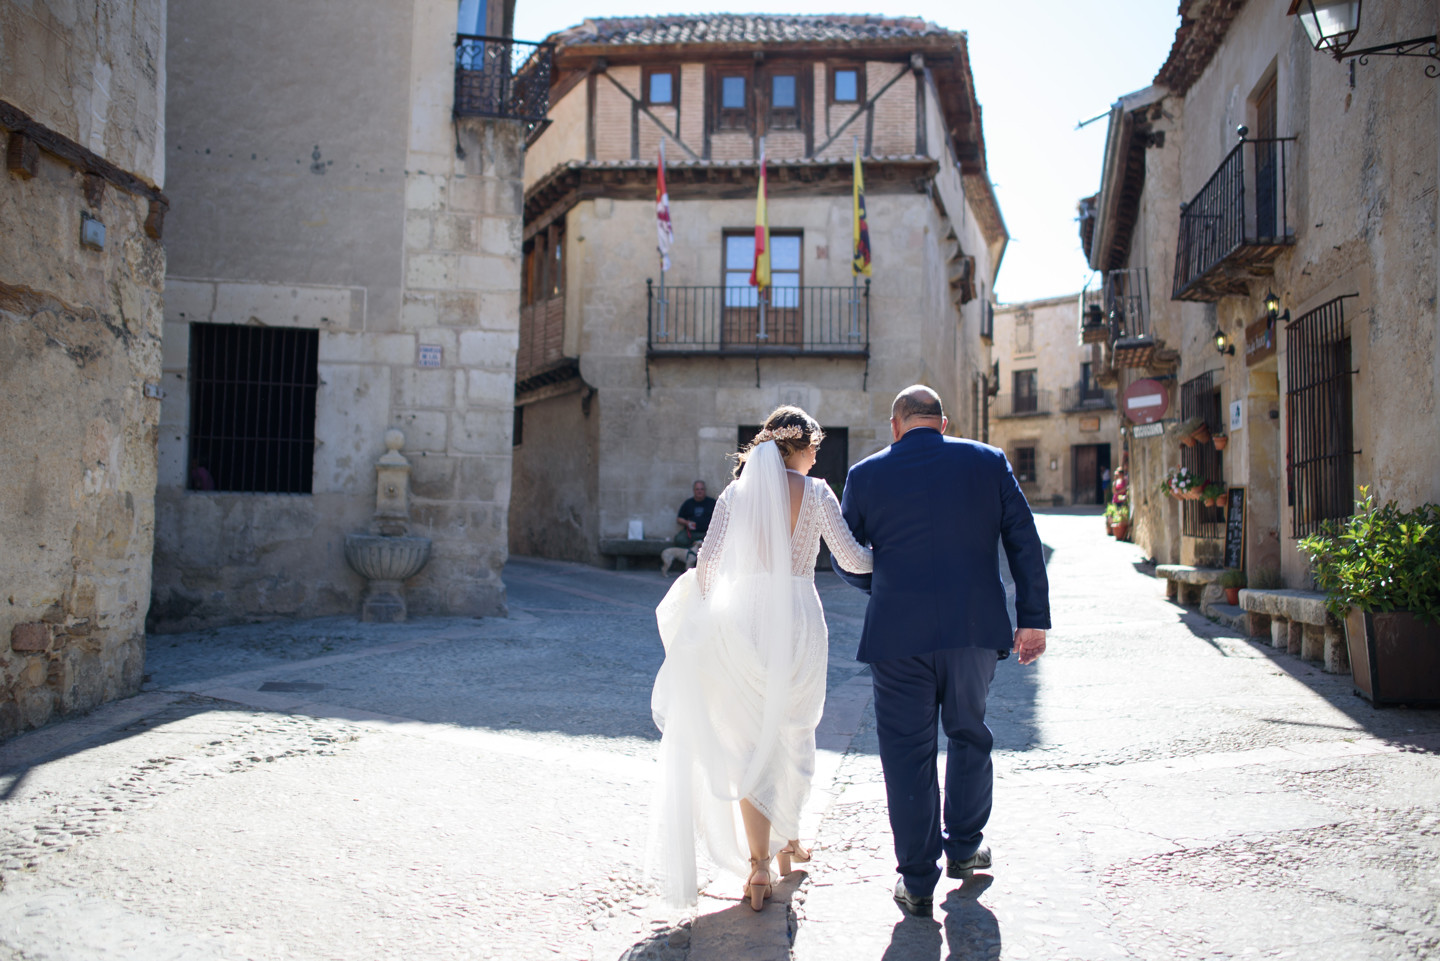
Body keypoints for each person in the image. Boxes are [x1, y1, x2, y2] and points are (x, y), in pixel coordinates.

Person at [830, 385, 1050, 918]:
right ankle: (966, 849)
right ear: (944, 423)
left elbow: (845, 555)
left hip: (896, 636)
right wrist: (1033, 621)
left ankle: (918, 880)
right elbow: (1023, 538)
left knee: (906, 753)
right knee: (970, 733)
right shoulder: (989, 462)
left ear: (895, 424)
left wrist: (881, 588)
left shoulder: (864, 474)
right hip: (974, 630)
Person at [650, 407, 873, 912]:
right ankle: (791, 841)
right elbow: (854, 559)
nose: (818, 456)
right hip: (796, 616)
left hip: (743, 618)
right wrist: (890, 554)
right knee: (795, 730)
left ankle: (757, 867)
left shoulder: (734, 494)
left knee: (751, 740)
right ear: (801, 447)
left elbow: (707, 561)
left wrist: (712, 610)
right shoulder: (816, 494)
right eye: (816, 446)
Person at [674, 480, 716, 547]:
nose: (699, 491)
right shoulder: (688, 503)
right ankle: (690, 553)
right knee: (679, 539)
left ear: (705, 490)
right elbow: (679, 519)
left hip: (707, 533)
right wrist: (687, 523)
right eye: (697, 489)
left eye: (702, 489)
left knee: (716, 541)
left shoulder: (712, 503)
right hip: (691, 533)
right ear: (694, 490)